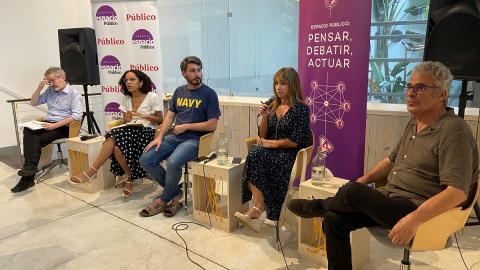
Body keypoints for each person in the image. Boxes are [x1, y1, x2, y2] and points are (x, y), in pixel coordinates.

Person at [288, 61, 479, 270]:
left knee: (351, 191)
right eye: (409, 87)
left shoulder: (454, 131)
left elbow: (457, 193)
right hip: (392, 199)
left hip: (419, 209)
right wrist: (362, 182)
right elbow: (392, 161)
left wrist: (413, 219)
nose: (411, 93)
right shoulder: (416, 121)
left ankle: (321, 205)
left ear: (442, 94)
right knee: (334, 219)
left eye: (420, 88)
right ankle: (329, 211)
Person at [138, 56, 220, 217]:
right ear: (183, 73)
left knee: (173, 163)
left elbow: (212, 125)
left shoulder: (209, 94)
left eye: (199, 70)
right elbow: (169, 117)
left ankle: (164, 199)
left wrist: (187, 126)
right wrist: (159, 137)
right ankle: (175, 193)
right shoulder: (179, 91)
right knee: (146, 159)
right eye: (192, 71)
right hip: (176, 137)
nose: (197, 74)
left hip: (196, 140)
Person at [234, 67, 310, 232]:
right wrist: (265, 117)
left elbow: (296, 142)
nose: (278, 87)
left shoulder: (301, 109)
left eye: (283, 83)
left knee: (256, 155)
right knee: (254, 155)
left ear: (293, 85)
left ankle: (258, 210)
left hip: (290, 155)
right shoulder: (274, 105)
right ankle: (258, 207)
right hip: (269, 152)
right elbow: (262, 136)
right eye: (276, 83)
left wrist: (270, 143)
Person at [68, 70, 163, 198]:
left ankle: (92, 171)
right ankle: (129, 177)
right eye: (126, 80)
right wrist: (126, 119)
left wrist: (143, 116)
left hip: (146, 131)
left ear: (141, 82)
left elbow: (160, 120)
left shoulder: (152, 96)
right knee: (116, 147)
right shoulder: (126, 98)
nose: (128, 82)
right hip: (129, 130)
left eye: (132, 79)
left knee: (114, 134)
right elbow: (124, 120)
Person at [11, 67, 83, 193]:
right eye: (49, 82)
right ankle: (30, 167)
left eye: (53, 81)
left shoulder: (73, 93)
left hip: (64, 126)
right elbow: (33, 102)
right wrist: (39, 88)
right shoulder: (50, 90)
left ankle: (27, 178)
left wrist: (55, 126)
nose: (51, 84)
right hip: (49, 123)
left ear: (62, 78)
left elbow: (77, 116)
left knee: (35, 141)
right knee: (28, 130)